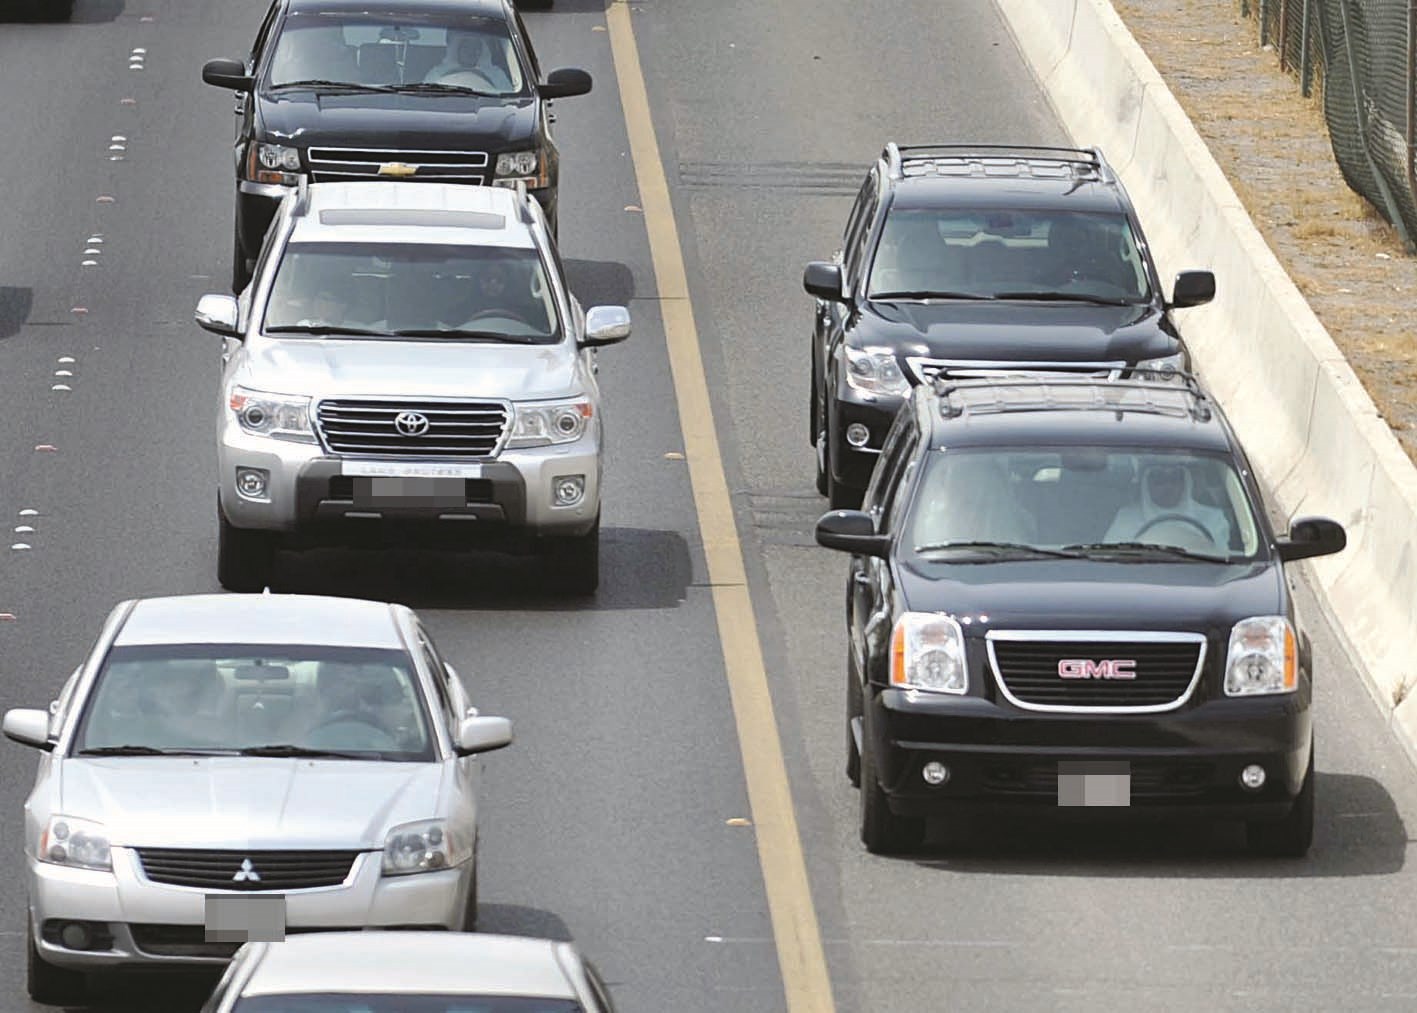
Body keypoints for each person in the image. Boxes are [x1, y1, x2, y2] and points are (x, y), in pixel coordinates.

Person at [1103, 461, 1232, 550]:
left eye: (1174, 479)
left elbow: (1221, 560)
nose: (1168, 486)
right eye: (1159, 479)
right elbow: (1111, 558)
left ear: (1185, 483)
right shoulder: (1126, 518)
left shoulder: (1212, 518)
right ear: (1147, 484)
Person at [424, 28, 514, 91]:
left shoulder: (496, 74)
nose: (472, 52)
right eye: (467, 47)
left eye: (476, 48)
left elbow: (508, 102)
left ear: (481, 51)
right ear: (458, 49)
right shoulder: (437, 73)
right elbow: (426, 99)